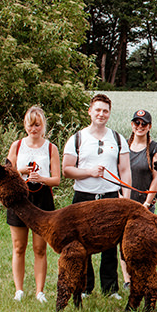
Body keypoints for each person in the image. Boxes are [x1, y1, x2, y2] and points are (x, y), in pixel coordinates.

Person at [62, 94, 131, 299]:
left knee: (110, 243)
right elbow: (66, 170)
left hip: (110, 197)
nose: (101, 114)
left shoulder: (117, 138)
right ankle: (85, 287)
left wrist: (125, 197)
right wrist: (89, 172)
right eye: (98, 110)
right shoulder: (77, 138)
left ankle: (110, 289)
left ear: (109, 113)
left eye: (105, 111)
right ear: (90, 111)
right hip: (84, 196)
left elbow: (125, 170)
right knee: (83, 244)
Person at [5, 106, 61, 303]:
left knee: (40, 248)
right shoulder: (17, 146)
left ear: (42, 125)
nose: (33, 128)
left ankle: (40, 291)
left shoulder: (50, 148)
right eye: (30, 124)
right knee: (19, 246)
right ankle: (19, 290)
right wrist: (21, 171)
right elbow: (6, 173)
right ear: (25, 125)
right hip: (20, 199)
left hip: (42, 198)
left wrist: (42, 178)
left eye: (37, 125)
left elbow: (57, 179)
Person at [120, 109, 157, 291]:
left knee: (143, 243)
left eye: (143, 123)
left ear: (149, 127)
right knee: (124, 243)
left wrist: (147, 202)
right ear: (132, 125)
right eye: (136, 123)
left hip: (145, 204)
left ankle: (143, 277)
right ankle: (127, 280)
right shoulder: (123, 146)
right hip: (124, 203)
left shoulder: (155, 149)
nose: (140, 126)